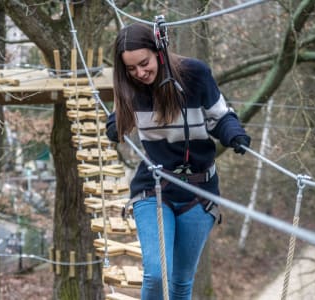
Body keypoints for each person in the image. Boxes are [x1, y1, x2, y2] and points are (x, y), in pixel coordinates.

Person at [106, 22, 251, 300]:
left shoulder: (195, 74)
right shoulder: (130, 86)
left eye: (144, 63)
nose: (139, 73)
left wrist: (234, 135)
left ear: (159, 52)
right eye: (131, 69)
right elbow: (118, 117)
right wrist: (115, 125)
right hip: (154, 187)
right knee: (156, 274)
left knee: (182, 283)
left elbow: (220, 117)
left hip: (199, 191)